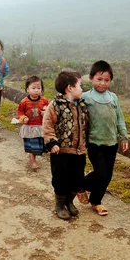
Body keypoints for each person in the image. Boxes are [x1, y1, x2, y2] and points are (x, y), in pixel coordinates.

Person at [79, 60, 129, 216]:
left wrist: (124, 137)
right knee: (101, 173)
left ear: (110, 81)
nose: (102, 83)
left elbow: (119, 119)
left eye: (106, 80)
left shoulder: (113, 98)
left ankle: (96, 201)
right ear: (91, 79)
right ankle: (79, 185)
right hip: (94, 142)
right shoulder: (85, 97)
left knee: (108, 176)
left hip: (111, 142)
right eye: (99, 79)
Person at [43, 71, 88, 220]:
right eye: (80, 85)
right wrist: (52, 142)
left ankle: (69, 202)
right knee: (60, 179)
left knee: (77, 180)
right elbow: (48, 125)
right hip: (61, 152)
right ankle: (60, 204)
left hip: (79, 151)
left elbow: (87, 125)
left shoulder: (82, 104)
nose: (82, 88)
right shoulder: (55, 105)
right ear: (70, 87)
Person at [17, 76, 49, 169]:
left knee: (38, 146)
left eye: (39, 88)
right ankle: (32, 161)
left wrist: (45, 112)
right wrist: (23, 118)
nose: (36, 90)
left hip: (39, 127)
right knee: (32, 145)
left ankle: (31, 155)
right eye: (33, 88)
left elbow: (48, 111)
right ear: (27, 89)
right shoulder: (24, 102)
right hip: (29, 127)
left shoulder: (44, 101)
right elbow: (19, 113)